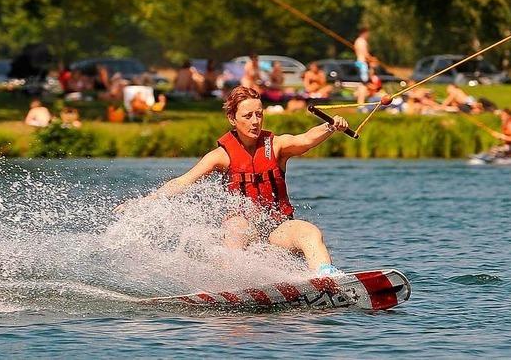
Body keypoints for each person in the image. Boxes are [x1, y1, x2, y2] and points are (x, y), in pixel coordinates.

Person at [122, 86, 349, 274]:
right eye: (248, 116)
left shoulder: (277, 146)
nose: (255, 122)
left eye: (259, 114)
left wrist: (330, 127)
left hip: (276, 231)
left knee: (309, 232)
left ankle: (326, 278)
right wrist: (144, 202)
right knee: (236, 226)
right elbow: (182, 182)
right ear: (232, 118)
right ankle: (234, 282)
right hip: (244, 235)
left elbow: (306, 139)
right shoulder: (220, 156)